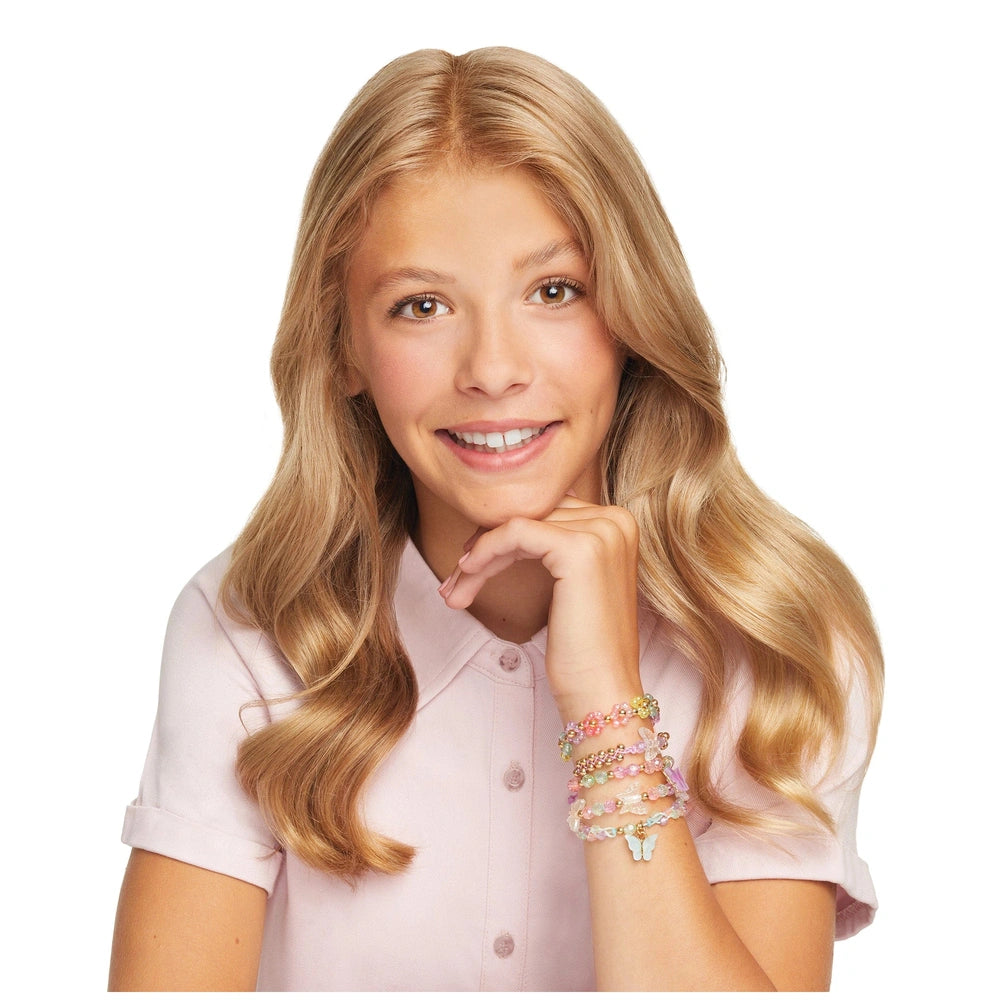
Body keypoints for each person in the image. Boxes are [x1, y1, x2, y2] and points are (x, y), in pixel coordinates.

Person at [109, 46, 883, 991]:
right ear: (344, 347)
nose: (491, 368)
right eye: (421, 305)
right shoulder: (248, 631)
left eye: (553, 292)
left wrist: (606, 709)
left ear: (630, 315)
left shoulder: (775, 634)